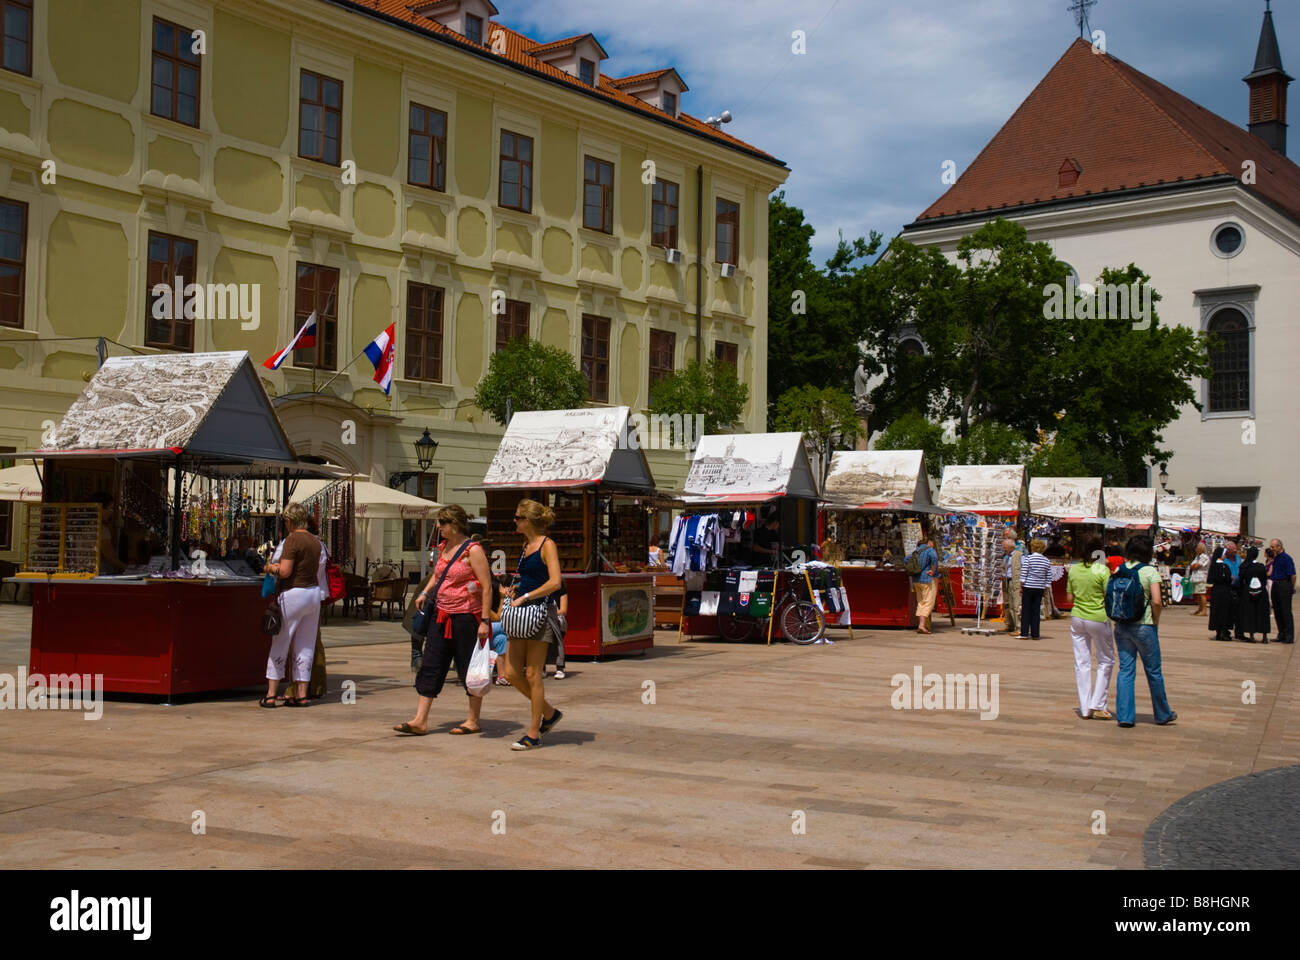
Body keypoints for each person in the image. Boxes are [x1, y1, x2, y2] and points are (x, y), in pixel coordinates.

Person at [394, 505, 493, 736]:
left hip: (467, 617)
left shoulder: (473, 550)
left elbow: (486, 587)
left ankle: (473, 719)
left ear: (455, 525)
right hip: (440, 615)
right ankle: (420, 720)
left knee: (468, 667)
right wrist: (424, 593)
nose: (439, 527)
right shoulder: (443, 547)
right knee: (431, 663)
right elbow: (438, 575)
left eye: (442, 522)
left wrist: (485, 621)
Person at [504, 499, 564, 750]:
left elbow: (555, 582)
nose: (514, 521)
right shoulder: (526, 545)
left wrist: (527, 596)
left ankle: (533, 733)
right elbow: (530, 577)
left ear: (528, 520)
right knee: (509, 672)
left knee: (532, 673)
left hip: (539, 613)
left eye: (518, 517)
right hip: (520, 614)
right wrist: (516, 589)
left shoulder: (547, 545)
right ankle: (549, 712)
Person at [259, 502, 322, 708]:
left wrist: (270, 567)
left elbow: (285, 572)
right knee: (306, 645)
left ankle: (270, 694)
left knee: (281, 641)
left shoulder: (292, 539)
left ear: (290, 521)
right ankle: (302, 694)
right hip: (313, 594)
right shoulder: (315, 541)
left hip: (294, 593)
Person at [1110, 535, 1176, 727]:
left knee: (1125, 671)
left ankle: (1124, 716)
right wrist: (1156, 619)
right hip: (1144, 625)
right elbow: (1156, 601)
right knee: (1153, 671)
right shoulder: (1149, 571)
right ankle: (1163, 713)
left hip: (1122, 625)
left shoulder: (1119, 569)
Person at [1066, 536, 1113, 720]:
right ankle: (1098, 703)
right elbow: (1107, 595)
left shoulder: (1074, 570)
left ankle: (1084, 707)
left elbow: (1069, 599)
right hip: (1098, 616)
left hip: (1077, 616)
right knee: (1106, 659)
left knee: (1081, 662)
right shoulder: (1102, 570)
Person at [1236, 546, 1271, 643]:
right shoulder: (1261, 566)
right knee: (1262, 613)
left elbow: (1241, 579)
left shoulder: (1244, 566)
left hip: (1248, 591)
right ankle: (1264, 636)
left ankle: (1251, 635)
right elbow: (1264, 579)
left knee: (1250, 613)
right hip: (1261, 591)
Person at [1018, 539, 1051, 641]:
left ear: (1033, 548)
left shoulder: (1029, 559)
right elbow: (1048, 577)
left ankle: (1024, 633)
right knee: (1036, 611)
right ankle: (1035, 634)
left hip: (1028, 586)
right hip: (1040, 588)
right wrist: (1046, 589)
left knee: (1026, 610)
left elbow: (1024, 573)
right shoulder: (1046, 560)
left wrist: (1021, 585)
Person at [909, 534, 940, 635]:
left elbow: (906, 560)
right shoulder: (930, 550)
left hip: (916, 579)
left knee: (921, 602)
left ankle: (921, 625)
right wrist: (932, 570)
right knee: (928, 602)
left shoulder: (916, 550)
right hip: (927, 579)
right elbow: (935, 559)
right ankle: (921, 626)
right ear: (930, 542)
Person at [1206, 546, 1235, 642]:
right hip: (1225, 591)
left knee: (1216, 611)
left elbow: (1210, 579)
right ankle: (1223, 631)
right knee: (1224, 611)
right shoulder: (1224, 566)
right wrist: (1230, 578)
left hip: (1215, 591)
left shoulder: (1213, 566)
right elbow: (1227, 579)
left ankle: (1218, 632)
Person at [1269, 538, 1295, 644]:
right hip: (1276, 584)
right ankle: (1281, 634)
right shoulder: (1276, 558)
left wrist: (1291, 587)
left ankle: (1289, 636)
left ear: (1279, 546)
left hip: (1284, 584)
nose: (1272, 549)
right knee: (1277, 611)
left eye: (1273, 547)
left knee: (1285, 611)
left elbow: (1293, 575)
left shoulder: (1286, 558)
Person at [1001, 537, 1023, 636]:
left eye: (1005, 547)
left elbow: (1025, 568)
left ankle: (1019, 627)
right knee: (1007, 603)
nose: (1004, 549)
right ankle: (1010, 624)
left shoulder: (1019, 555)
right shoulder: (1005, 556)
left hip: (1015, 582)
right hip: (1006, 581)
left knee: (1016, 604)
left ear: (1011, 547)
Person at [1223, 541, 1244, 640]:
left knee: (1239, 612)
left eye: (1236, 549)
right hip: (1228, 587)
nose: (1235, 551)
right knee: (1228, 611)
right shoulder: (1224, 560)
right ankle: (1226, 631)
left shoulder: (1238, 559)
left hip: (1238, 588)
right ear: (1227, 550)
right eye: (1233, 549)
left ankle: (1239, 632)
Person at [1188, 542, 1210, 616]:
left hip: (1201, 577)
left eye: (1197, 548)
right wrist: (1194, 566)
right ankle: (1200, 609)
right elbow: (1191, 566)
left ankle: (1204, 610)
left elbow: (1197, 566)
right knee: (1198, 594)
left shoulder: (1204, 557)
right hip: (1195, 577)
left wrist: (1194, 566)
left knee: (1202, 594)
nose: (1196, 549)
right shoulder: (1197, 557)